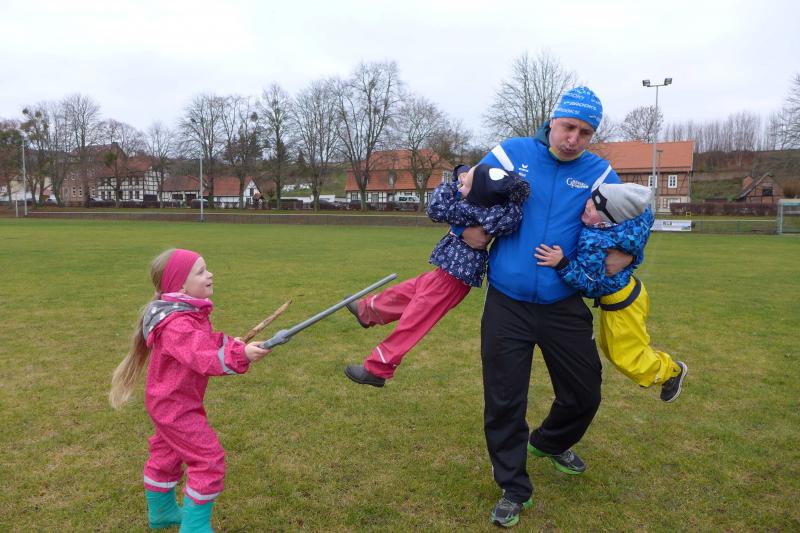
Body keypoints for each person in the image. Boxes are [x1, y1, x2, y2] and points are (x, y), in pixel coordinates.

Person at [462, 86, 636, 528]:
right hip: (508, 302)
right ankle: (513, 487)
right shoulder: (513, 152)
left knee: (585, 392)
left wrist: (632, 254)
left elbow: (634, 220)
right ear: (552, 121)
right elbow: (465, 185)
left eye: (584, 132)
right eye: (568, 127)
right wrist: (466, 228)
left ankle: (551, 441)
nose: (573, 138)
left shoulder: (600, 173)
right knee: (504, 400)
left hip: (563, 302)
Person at [109, 248, 270, 533]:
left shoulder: (185, 314)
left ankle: (162, 513)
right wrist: (241, 355)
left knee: (167, 454)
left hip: (170, 401)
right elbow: (202, 355)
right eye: (201, 271)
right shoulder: (178, 324)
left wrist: (235, 345)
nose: (210, 274)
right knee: (208, 460)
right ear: (181, 285)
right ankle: (194, 528)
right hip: (175, 406)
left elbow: (205, 342)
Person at [343, 164, 530, 387]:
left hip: (452, 279)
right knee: (406, 292)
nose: (461, 187)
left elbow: (436, 207)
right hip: (447, 274)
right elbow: (510, 211)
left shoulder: (469, 209)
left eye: (466, 185)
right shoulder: (496, 210)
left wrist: (453, 185)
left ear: (478, 194)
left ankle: (377, 368)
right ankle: (367, 311)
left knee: (415, 320)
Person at [534, 182, 688, 401]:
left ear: (606, 221)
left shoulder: (594, 241)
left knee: (626, 355)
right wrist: (632, 256)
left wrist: (562, 263)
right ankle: (665, 368)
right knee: (611, 347)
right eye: (590, 201)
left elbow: (590, 284)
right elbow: (646, 213)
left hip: (621, 302)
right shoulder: (631, 224)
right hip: (629, 294)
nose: (587, 207)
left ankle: (670, 373)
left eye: (594, 208)